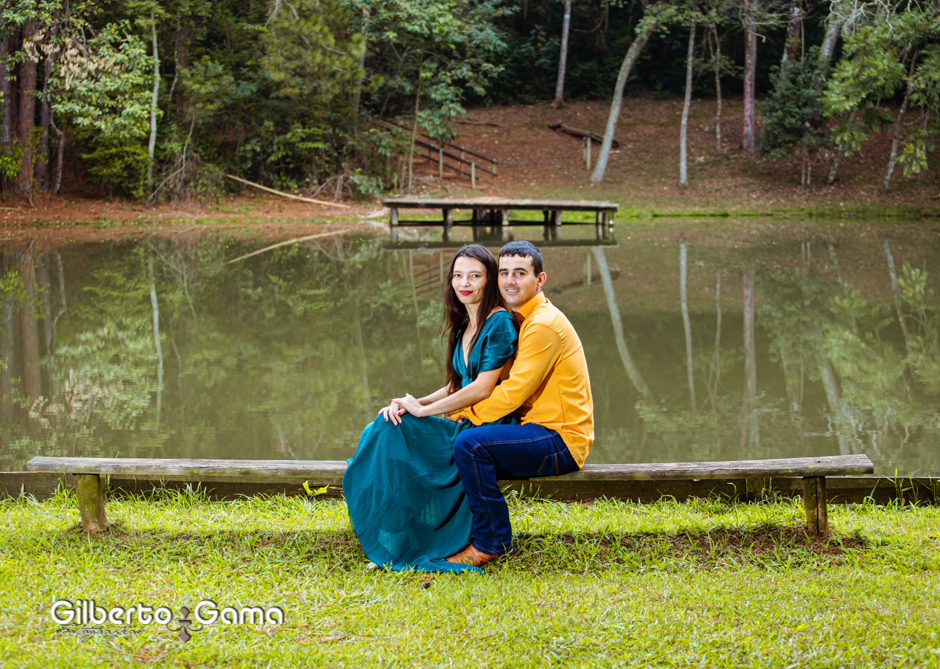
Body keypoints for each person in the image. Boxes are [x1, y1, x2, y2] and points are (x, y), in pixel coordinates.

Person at [343, 244, 518, 573]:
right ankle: (395, 535)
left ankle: (403, 540)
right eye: (458, 275)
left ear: (490, 280)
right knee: (387, 424)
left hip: (486, 427)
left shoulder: (500, 323)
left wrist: (425, 412)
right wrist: (412, 403)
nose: (464, 283)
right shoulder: (464, 324)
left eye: (475, 276)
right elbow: (456, 385)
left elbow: (481, 388)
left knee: (394, 434)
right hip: (465, 420)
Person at [444, 240, 594, 567]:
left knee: (471, 445)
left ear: (540, 280)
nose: (510, 281)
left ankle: (491, 542)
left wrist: (460, 412)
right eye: (504, 273)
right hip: (534, 430)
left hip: (560, 439)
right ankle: (446, 531)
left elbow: (513, 393)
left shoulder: (542, 325)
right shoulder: (518, 319)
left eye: (520, 273)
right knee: (459, 441)